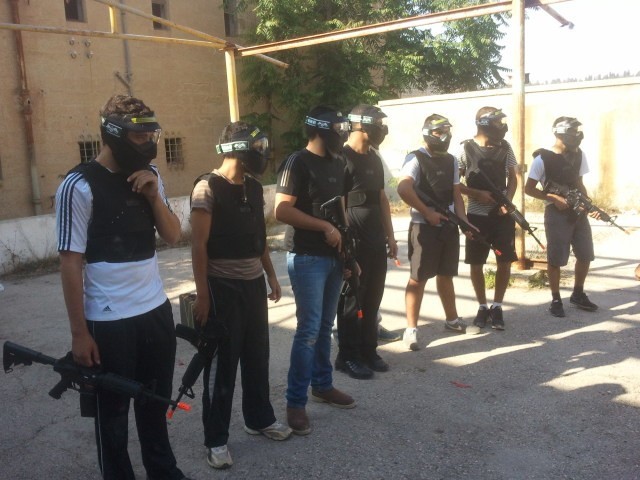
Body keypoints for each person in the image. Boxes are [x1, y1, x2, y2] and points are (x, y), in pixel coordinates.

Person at [55, 95, 191, 480]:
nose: (148, 144)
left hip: (155, 311)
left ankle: (163, 471)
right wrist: (79, 334)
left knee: (155, 403)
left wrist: (153, 195)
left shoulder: (151, 175)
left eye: (152, 135)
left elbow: (172, 235)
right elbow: (70, 262)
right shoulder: (78, 185)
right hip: (109, 321)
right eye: (139, 136)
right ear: (114, 134)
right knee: (112, 415)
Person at [190, 121, 292, 469]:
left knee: (257, 356)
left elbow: (257, 237)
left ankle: (259, 418)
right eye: (258, 147)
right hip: (222, 288)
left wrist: (271, 275)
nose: (263, 153)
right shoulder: (207, 188)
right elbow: (198, 245)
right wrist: (203, 295)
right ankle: (216, 439)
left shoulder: (253, 186)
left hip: (252, 286)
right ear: (238, 149)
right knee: (222, 366)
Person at [275, 105, 356, 436]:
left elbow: (342, 210)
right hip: (307, 257)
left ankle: (322, 386)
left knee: (325, 327)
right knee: (308, 330)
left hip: (334, 256)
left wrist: (349, 253)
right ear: (321, 129)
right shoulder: (297, 161)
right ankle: (295, 403)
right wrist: (324, 227)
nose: (344, 135)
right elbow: (281, 210)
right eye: (339, 129)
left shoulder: (339, 162)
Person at [397, 114, 481, 351]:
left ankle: (452, 320)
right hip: (424, 227)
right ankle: (411, 329)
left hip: (448, 225)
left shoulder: (451, 160)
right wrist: (426, 212)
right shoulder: (415, 158)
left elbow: (456, 194)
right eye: (438, 131)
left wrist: (464, 222)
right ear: (427, 132)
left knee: (446, 274)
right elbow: (403, 187)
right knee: (418, 278)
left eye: (446, 131)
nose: (443, 136)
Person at [334, 104, 397, 379]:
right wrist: (345, 243)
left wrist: (390, 235)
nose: (382, 129)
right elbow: (339, 202)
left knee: (373, 297)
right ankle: (347, 356)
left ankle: (369, 350)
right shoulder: (341, 158)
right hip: (354, 241)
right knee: (352, 299)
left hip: (375, 239)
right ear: (360, 125)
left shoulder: (374, 158)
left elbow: (381, 198)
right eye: (378, 124)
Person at [525, 116, 598, 317]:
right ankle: (556, 299)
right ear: (561, 133)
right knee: (556, 257)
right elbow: (529, 189)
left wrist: (588, 204)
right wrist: (552, 197)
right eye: (573, 131)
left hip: (578, 212)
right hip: (556, 213)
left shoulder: (579, 155)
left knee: (585, 254)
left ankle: (578, 293)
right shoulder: (542, 158)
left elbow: (579, 183)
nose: (577, 135)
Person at [458, 107, 518, 331]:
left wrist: (507, 202)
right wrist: (476, 193)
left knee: (504, 261)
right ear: (484, 123)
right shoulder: (465, 148)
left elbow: (513, 178)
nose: (502, 126)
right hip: (476, 216)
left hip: (502, 215)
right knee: (476, 262)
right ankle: (482, 306)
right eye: (497, 122)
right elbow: (455, 184)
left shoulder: (505, 147)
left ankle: (497, 306)